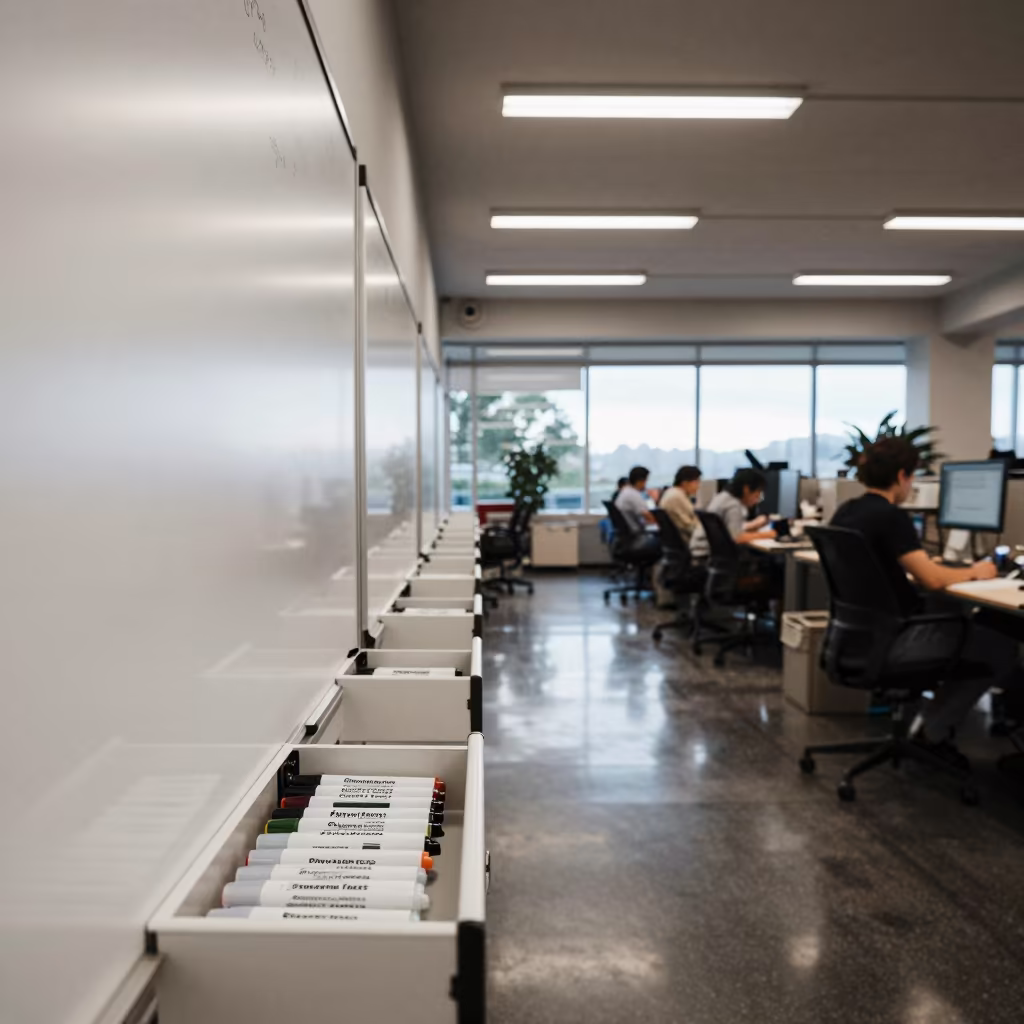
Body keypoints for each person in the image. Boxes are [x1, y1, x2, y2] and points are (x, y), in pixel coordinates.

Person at [831, 437, 1018, 743]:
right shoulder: (890, 516)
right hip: (897, 640)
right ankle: (931, 734)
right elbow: (931, 579)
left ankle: (922, 728)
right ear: (903, 476)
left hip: (857, 638)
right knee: (1000, 645)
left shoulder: (847, 511)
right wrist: (976, 571)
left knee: (963, 618)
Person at [690, 468, 775, 558]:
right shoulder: (734, 505)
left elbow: (728, 529)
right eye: (757, 494)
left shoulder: (722, 497)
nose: (757, 499)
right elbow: (736, 537)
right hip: (709, 555)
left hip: (700, 550)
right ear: (746, 489)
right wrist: (770, 534)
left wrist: (752, 526)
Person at [659, 466, 702, 543]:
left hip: (675, 543)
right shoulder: (677, 497)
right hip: (688, 542)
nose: (698, 486)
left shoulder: (671, 492)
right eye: (696, 482)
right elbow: (690, 526)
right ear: (684, 483)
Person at [614, 466, 656, 535]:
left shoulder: (625, 491)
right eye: (646, 481)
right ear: (641, 481)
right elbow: (649, 517)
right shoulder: (633, 495)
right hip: (636, 533)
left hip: (628, 533)